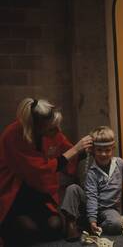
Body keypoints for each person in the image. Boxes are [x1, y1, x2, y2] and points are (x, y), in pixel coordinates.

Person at [0, 98, 93, 247]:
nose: (58, 131)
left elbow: (66, 151)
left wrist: (84, 151)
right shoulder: (13, 135)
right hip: (15, 191)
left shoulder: (49, 128)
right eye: (52, 128)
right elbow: (38, 169)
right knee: (28, 231)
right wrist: (75, 149)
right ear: (36, 127)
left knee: (54, 226)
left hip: (37, 191)